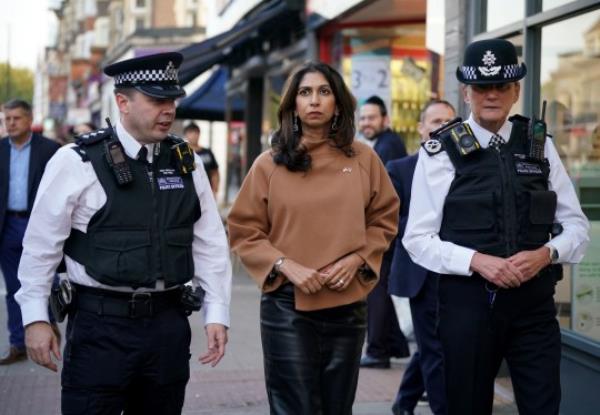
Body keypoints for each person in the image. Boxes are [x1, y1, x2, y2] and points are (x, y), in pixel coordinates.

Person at [15, 52, 232, 415]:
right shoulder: (77, 161)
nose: (168, 110)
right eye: (156, 100)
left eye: (172, 100)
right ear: (122, 102)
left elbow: (209, 242)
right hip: (101, 327)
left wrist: (217, 312)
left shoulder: (184, 161)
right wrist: (36, 318)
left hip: (167, 327)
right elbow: (40, 247)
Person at [403, 38, 590, 415]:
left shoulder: (539, 146)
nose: (492, 95)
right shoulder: (441, 153)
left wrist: (545, 254)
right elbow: (418, 239)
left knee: (543, 406)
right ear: (467, 92)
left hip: (534, 307)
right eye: (482, 87)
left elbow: (577, 227)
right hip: (467, 307)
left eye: (501, 86)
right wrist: (477, 261)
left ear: (516, 90)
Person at [227, 62, 399, 414]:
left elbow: (384, 218)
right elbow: (244, 229)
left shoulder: (364, 158)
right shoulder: (269, 163)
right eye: (305, 93)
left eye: (324, 92)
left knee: (337, 407)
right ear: (292, 105)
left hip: (347, 302)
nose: (315, 100)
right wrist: (285, 265)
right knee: (294, 407)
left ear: (338, 103)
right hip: (286, 304)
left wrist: (357, 259)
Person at [387, 100, 456, 415]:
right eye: (435, 121)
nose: (441, 127)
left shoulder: (467, 165)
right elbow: (390, 221)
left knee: (436, 346)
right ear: (420, 128)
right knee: (434, 350)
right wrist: (426, 228)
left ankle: (403, 402)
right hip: (420, 272)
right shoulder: (400, 168)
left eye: (448, 121)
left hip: (458, 270)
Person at [0, 99, 60, 365]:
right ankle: (17, 343)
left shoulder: (50, 150)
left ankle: (48, 323)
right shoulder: (0, 149)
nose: (10, 123)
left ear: (29, 119)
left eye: (16, 118)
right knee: (14, 287)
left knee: (46, 281)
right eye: (6, 119)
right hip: (8, 226)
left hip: (40, 225)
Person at [358, 94, 409, 368]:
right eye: (363, 118)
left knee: (376, 287)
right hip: (388, 227)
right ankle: (392, 344)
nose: (366, 122)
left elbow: (376, 193)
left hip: (385, 229)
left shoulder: (387, 145)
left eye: (371, 117)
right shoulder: (381, 143)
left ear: (385, 119)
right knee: (380, 288)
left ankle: (378, 350)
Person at [184, 122, 220, 195]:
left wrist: (215, 190)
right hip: (188, 193)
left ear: (199, 134)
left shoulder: (207, 152)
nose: (194, 135)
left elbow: (214, 172)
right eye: (190, 132)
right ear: (186, 135)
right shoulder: (182, 153)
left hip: (206, 192)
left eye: (196, 132)